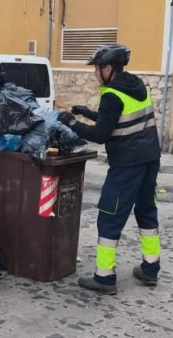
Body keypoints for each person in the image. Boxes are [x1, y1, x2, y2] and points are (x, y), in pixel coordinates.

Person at [58, 44, 162, 295]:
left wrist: (71, 122)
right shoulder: (135, 85)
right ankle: (150, 269)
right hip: (150, 159)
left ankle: (104, 278)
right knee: (147, 211)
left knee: (109, 216)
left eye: (96, 68)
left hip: (127, 165)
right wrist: (88, 113)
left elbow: (102, 134)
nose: (95, 73)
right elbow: (118, 119)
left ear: (108, 68)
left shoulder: (112, 95)